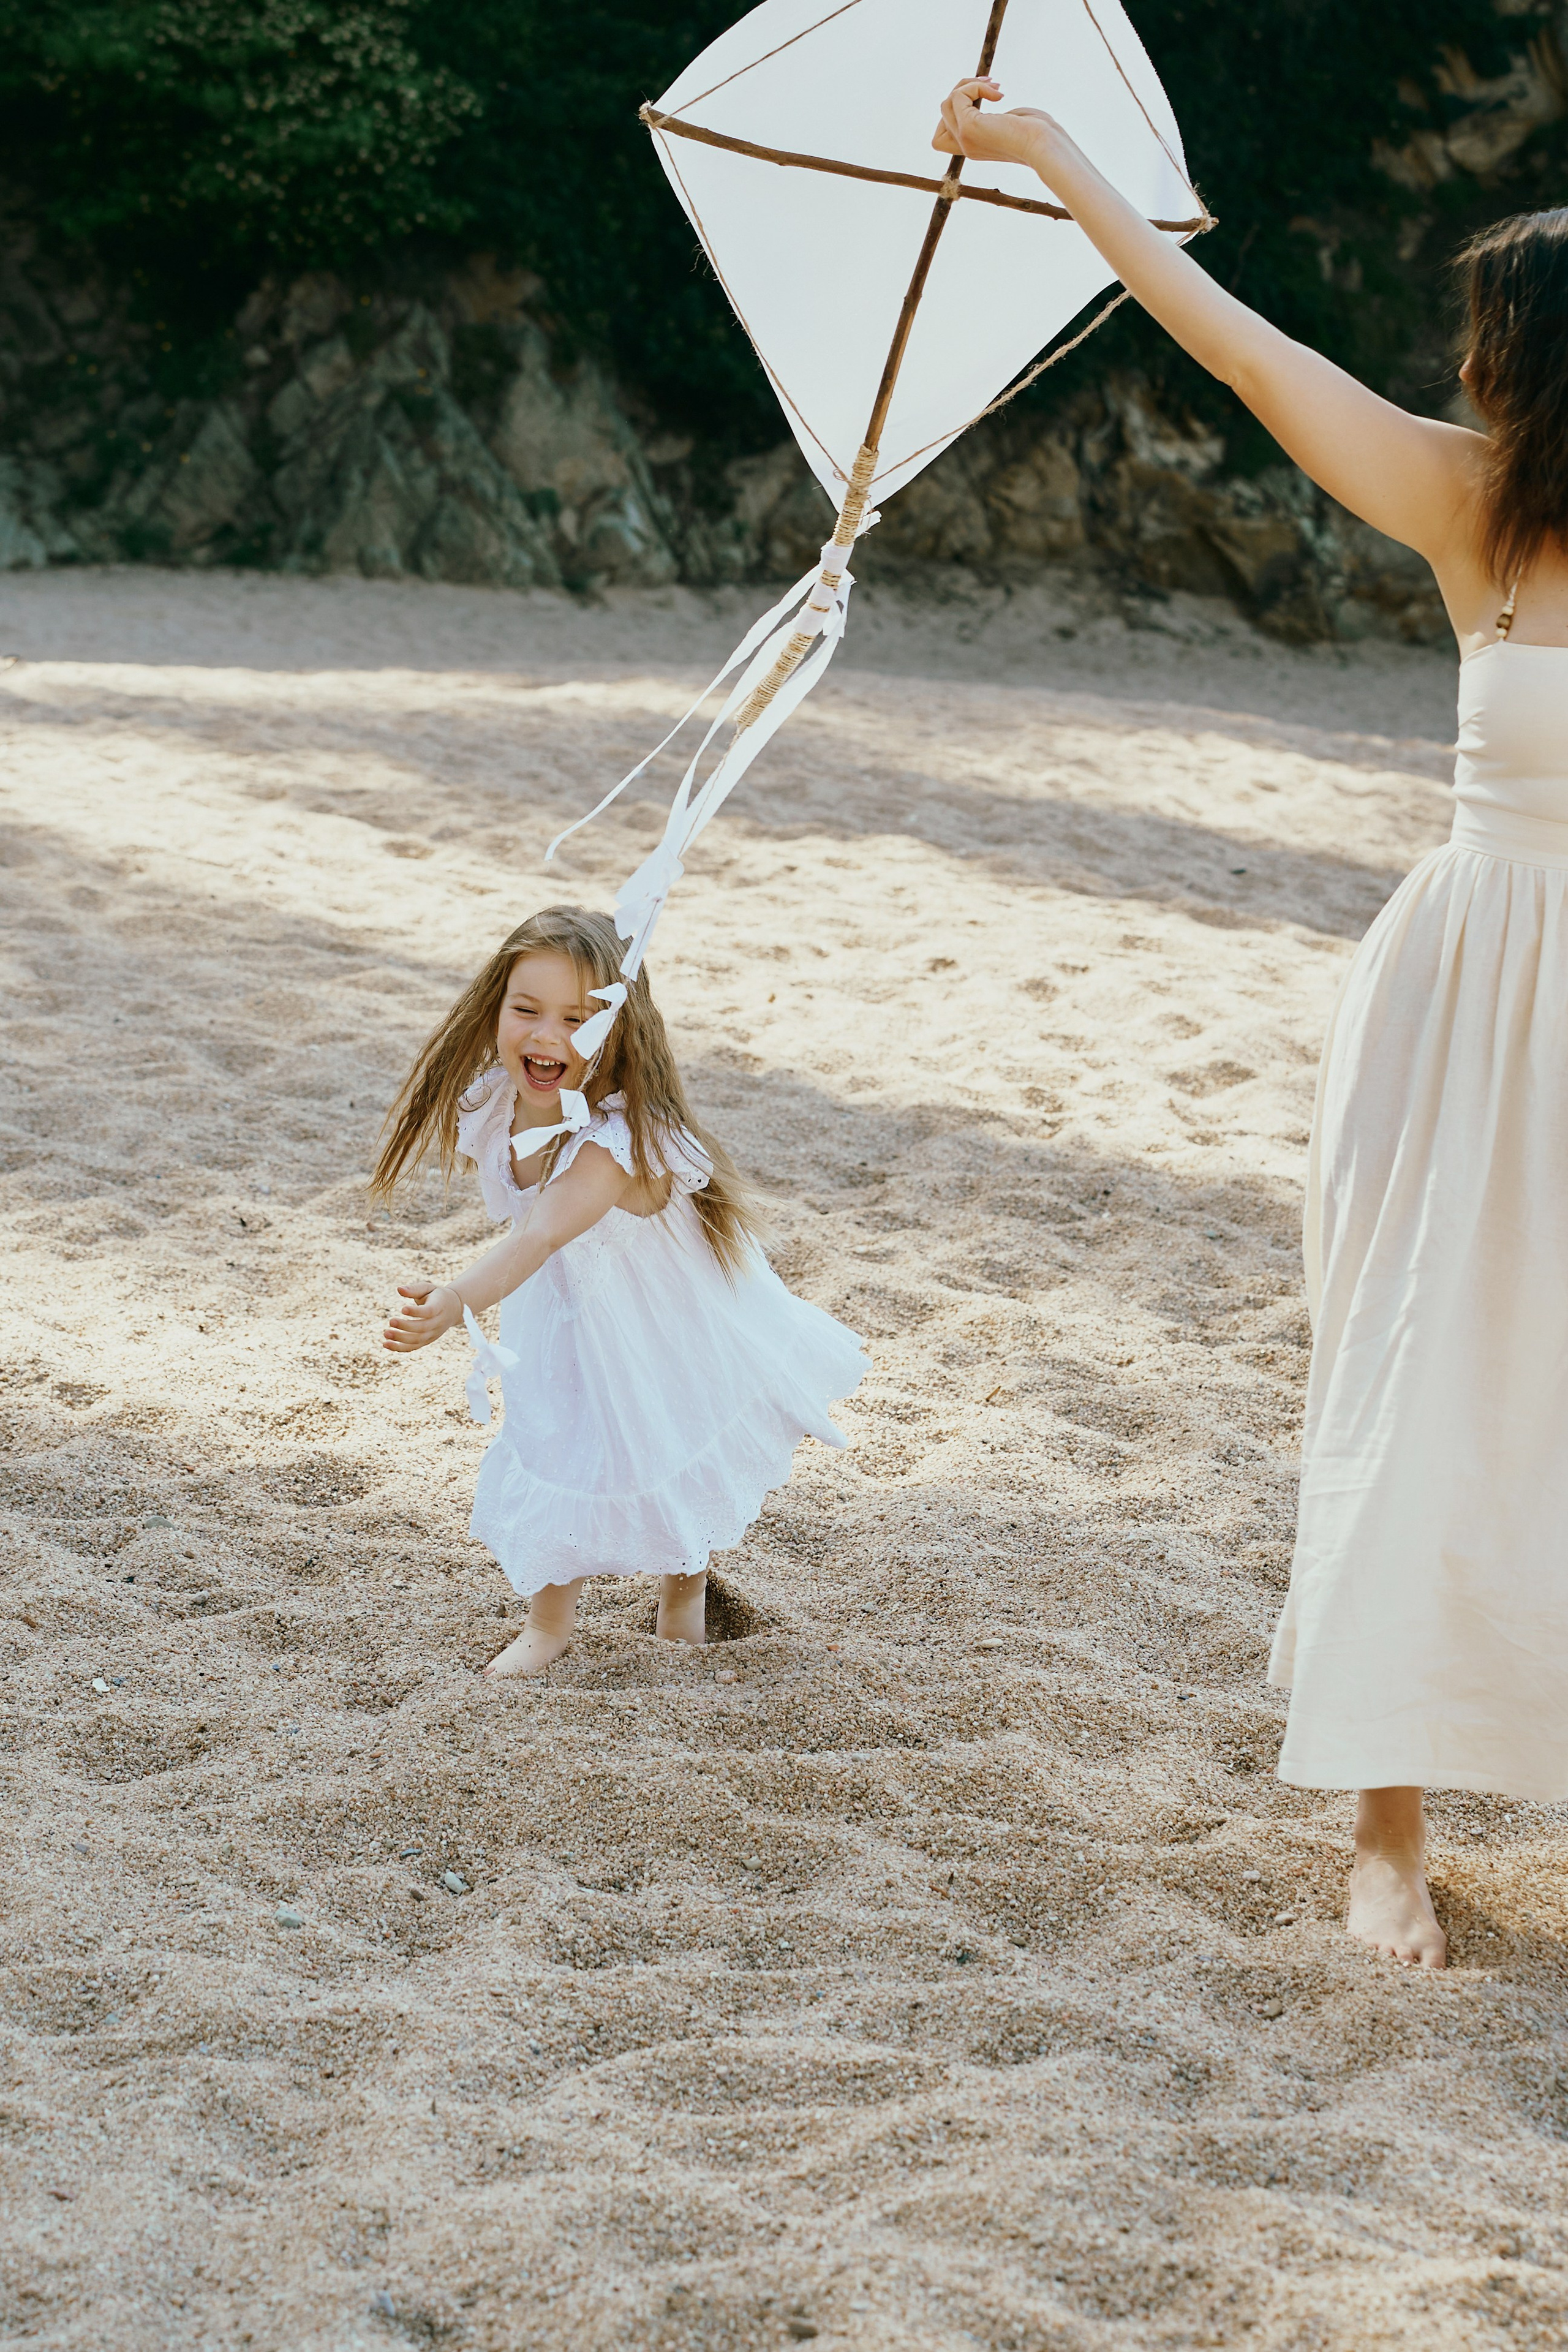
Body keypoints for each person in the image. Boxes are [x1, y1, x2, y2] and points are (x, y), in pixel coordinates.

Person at [937, 79, 1568, 1971]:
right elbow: (1239, 348)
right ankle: (1385, 1835)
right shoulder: (1469, 509)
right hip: (1466, 1008)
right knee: (1423, 1384)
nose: (1464, 371)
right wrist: (1060, 163)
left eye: (1488, 342)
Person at [374, 905, 866, 1675]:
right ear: (496, 1008)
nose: (547, 1035)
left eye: (577, 1019)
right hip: (566, 1310)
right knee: (556, 1436)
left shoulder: (613, 1143)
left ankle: (684, 1596)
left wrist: (455, 1300)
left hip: (662, 1319)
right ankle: (549, 1626)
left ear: (616, 1030)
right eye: (527, 1010)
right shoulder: (500, 1102)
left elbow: (538, 1234)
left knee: (667, 1435)